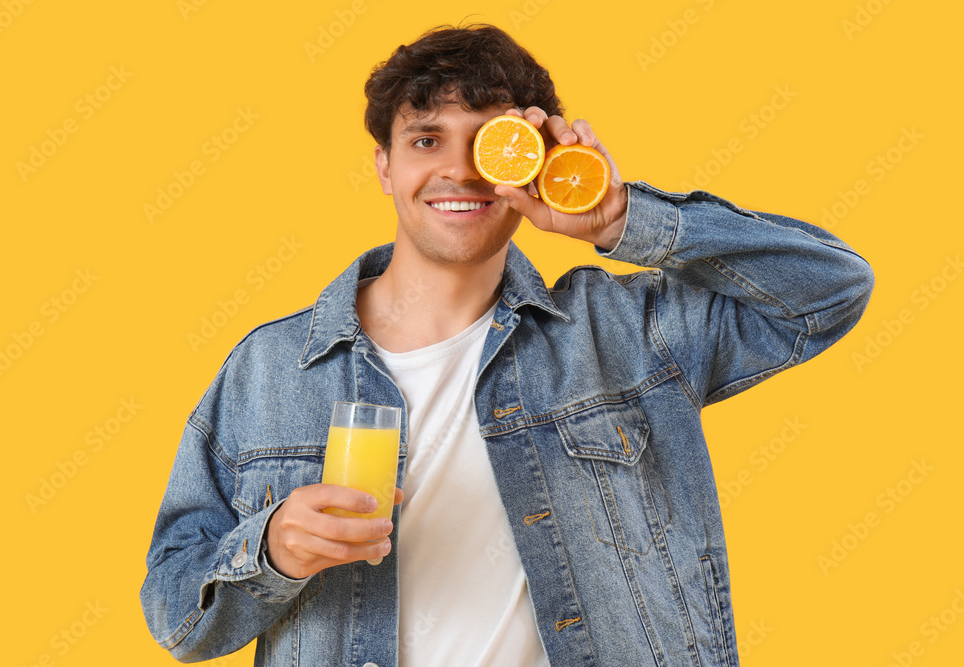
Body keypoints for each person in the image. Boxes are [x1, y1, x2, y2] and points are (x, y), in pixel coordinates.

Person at [141, 23, 873, 667]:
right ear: (385, 167)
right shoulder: (267, 371)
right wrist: (270, 554)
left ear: (533, 157)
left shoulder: (626, 335)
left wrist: (620, 216)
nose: (459, 171)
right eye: (427, 139)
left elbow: (831, 288)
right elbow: (176, 616)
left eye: (489, 142)